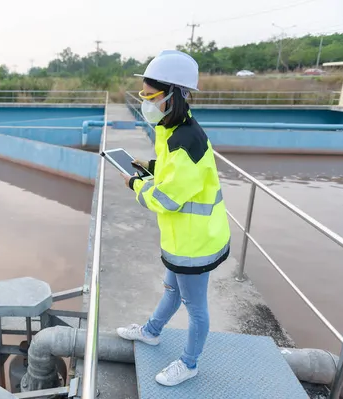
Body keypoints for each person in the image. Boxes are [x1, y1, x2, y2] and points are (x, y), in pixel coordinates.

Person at [116, 50, 231, 387]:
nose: (146, 103)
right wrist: (148, 167)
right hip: (180, 238)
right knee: (171, 288)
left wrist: (135, 184)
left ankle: (189, 363)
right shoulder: (173, 128)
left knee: (195, 308)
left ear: (172, 96)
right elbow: (171, 174)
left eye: (150, 97)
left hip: (196, 243)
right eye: (143, 96)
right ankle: (151, 332)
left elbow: (165, 197)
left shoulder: (187, 141)